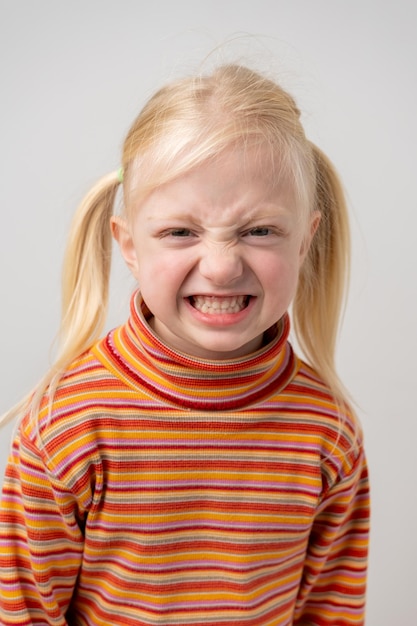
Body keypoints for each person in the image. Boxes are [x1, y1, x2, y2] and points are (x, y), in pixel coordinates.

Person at [0, 63, 369, 625]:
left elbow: (330, 612)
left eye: (260, 230)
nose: (221, 268)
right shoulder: (67, 426)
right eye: (180, 232)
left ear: (305, 241)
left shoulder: (327, 428)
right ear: (128, 244)